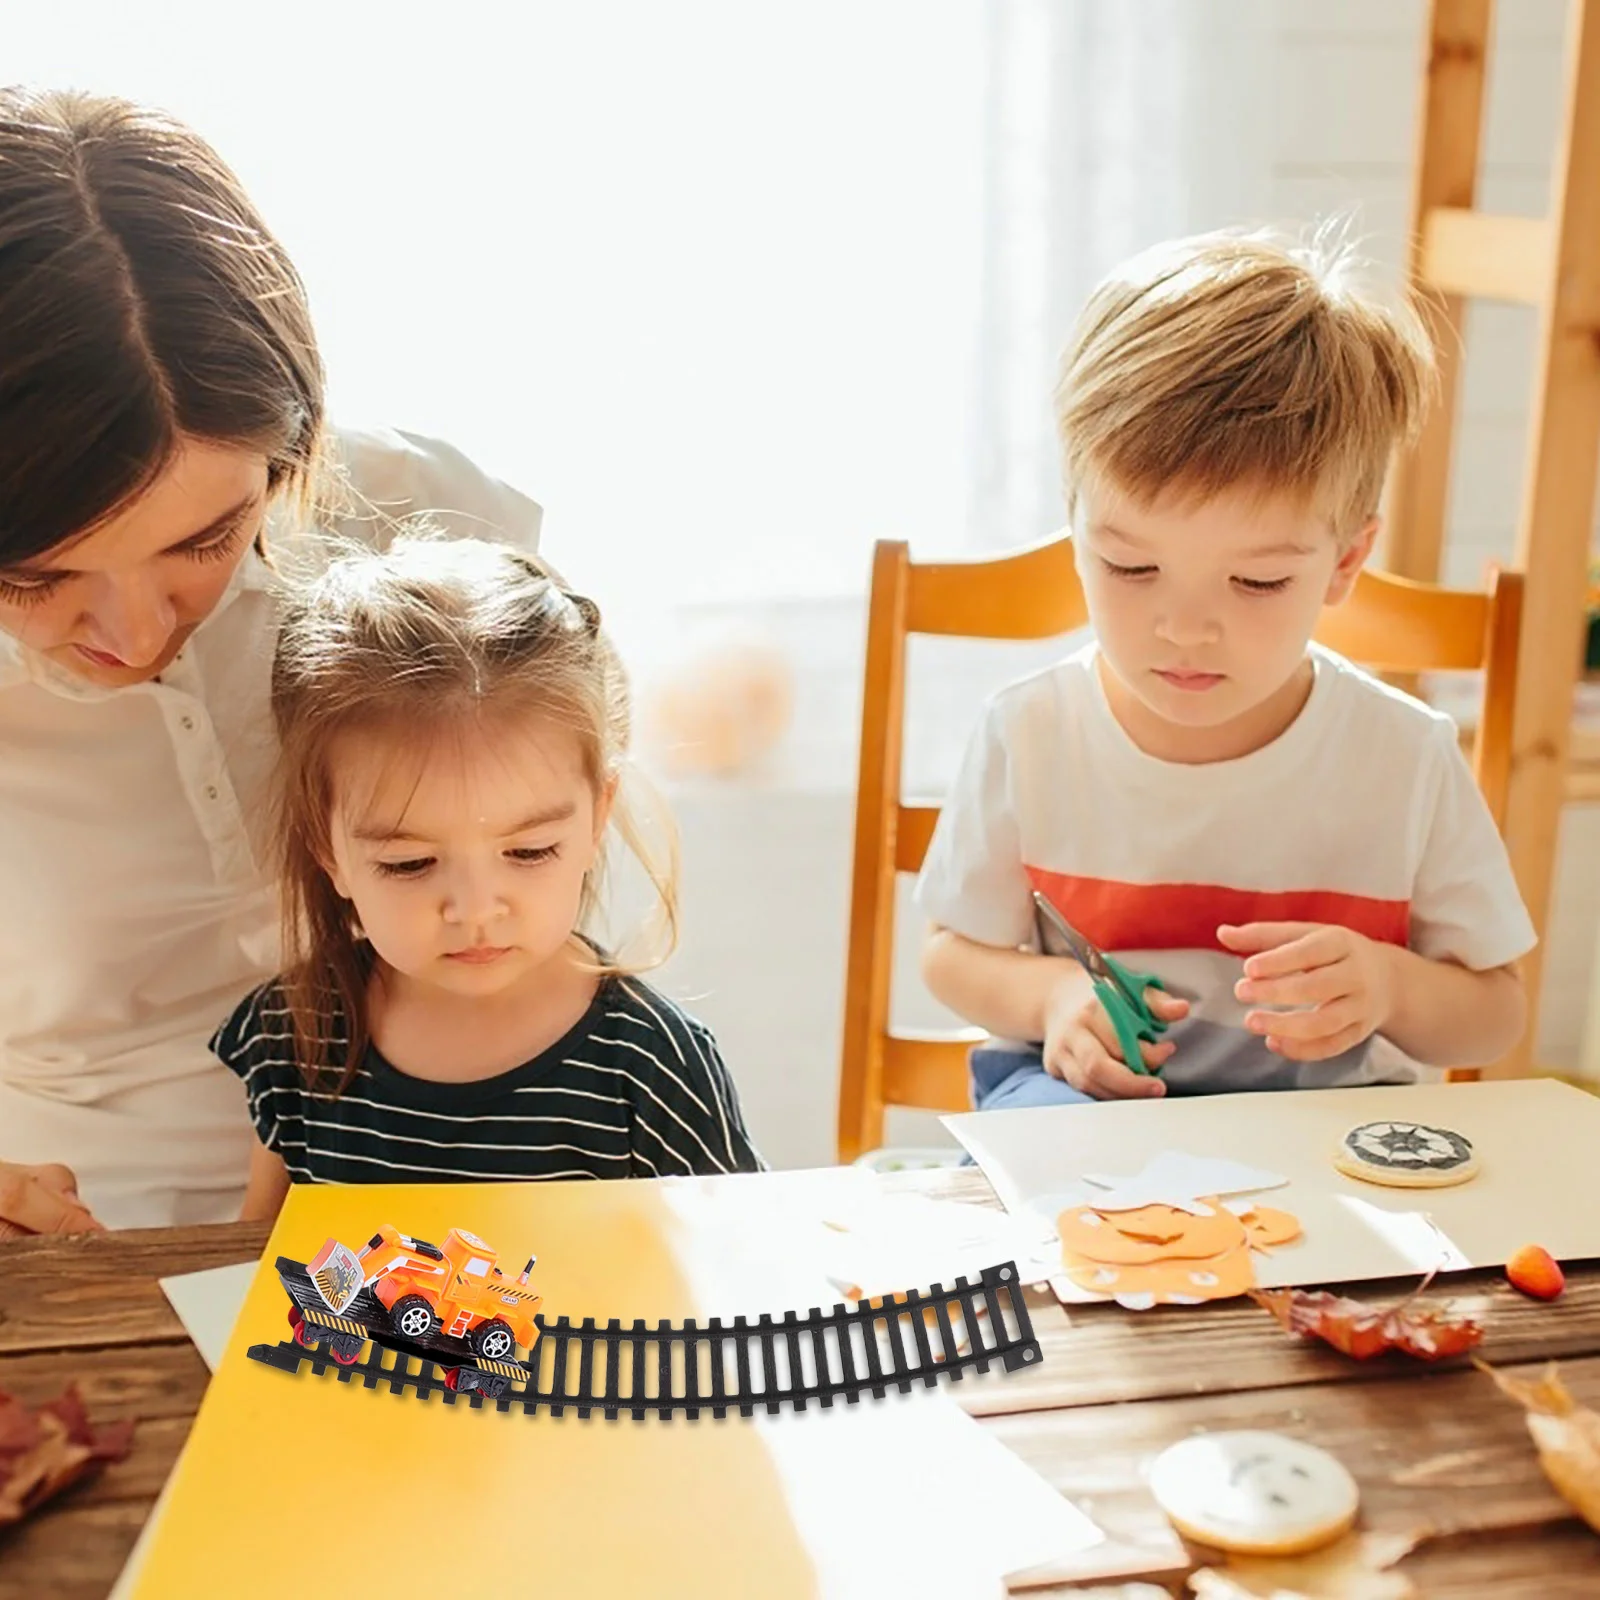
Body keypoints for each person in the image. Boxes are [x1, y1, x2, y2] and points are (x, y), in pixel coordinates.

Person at [0, 86, 545, 1232]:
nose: (139, 634)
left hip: (444, 1209)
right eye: (37, 579)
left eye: (205, 540)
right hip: (80, 1242)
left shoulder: (421, 522)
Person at [916, 226, 1535, 1111]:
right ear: (1076, 527)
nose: (1185, 629)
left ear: (1347, 562)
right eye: (1131, 567)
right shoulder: (1030, 732)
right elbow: (950, 951)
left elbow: (1495, 1012)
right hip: (1085, 1107)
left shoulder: (1403, 758)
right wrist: (1052, 996)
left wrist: (1392, 988)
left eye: (1257, 581)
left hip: (1327, 1120)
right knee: (1061, 1177)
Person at [210, 533, 761, 1219]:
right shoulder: (297, 1030)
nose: (475, 909)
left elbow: (737, 1279)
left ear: (597, 820)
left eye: (528, 852)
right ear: (326, 848)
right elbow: (252, 1261)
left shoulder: (648, 1066)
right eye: (410, 863)